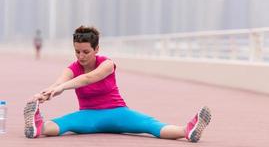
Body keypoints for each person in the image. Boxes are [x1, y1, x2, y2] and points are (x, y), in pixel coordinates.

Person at [24, 25, 211, 142]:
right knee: (60, 125)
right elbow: (58, 83)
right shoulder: (72, 68)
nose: (81, 56)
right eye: (77, 52)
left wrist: (62, 87)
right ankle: (36, 125)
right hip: (88, 117)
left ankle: (188, 130)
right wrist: (44, 94)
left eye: (86, 52)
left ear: (97, 49)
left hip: (119, 113)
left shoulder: (107, 64)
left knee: (152, 126)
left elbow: (89, 78)